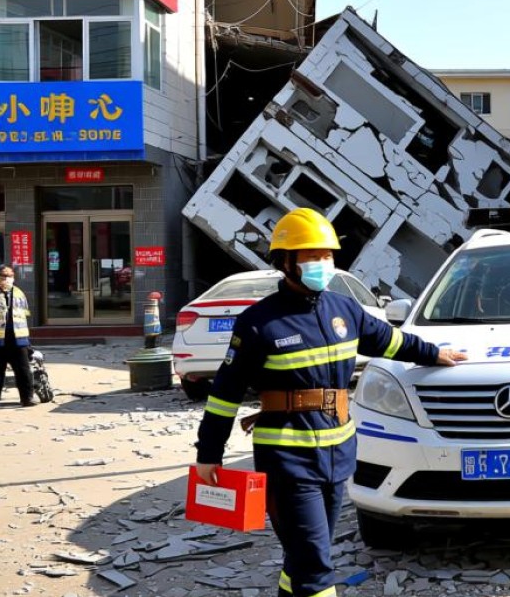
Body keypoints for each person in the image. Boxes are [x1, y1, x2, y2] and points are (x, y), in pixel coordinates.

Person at [194, 208, 467, 597]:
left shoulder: (345, 310)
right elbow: (224, 396)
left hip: (338, 457)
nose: (323, 264)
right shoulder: (259, 322)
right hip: (288, 463)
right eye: (311, 256)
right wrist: (209, 453)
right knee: (316, 563)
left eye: (327, 255)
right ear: (285, 262)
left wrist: (434, 353)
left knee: (302, 559)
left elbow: (391, 342)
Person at [0, 265, 36, 407]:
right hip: (0, 339)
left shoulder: (19, 293)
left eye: (9, 276)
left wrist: (27, 341)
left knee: (23, 370)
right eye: (3, 276)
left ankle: (27, 398)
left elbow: (25, 315)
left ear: (13, 278)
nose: (6, 279)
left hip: (18, 338)